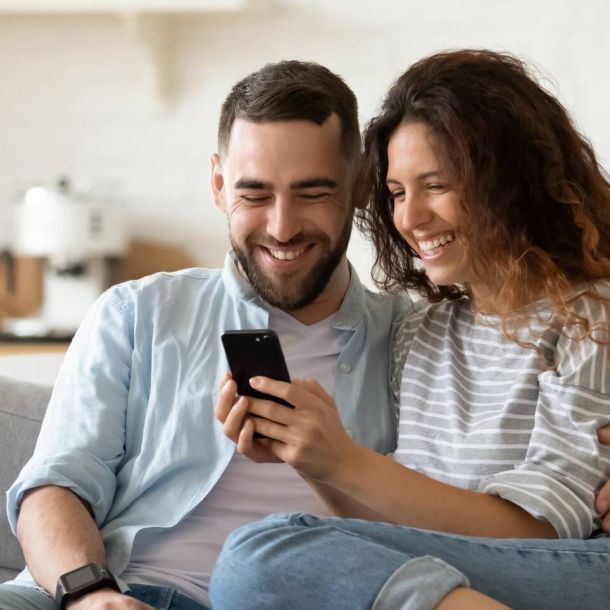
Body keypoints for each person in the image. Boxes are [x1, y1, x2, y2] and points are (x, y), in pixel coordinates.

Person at [0, 61, 411, 610]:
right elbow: (53, 488)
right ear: (219, 186)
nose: (282, 227)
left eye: (311, 193)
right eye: (255, 194)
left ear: (360, 185)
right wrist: (91, 595)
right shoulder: (138, 313)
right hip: (111, 590)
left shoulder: (411, 340)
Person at [209, 49, 610, 610]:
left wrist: (346, 460)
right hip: (471, 577)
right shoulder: (421, 332)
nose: (410, 218)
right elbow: (403, 528)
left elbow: (542, 533)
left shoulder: (589, 317)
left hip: (572, 570)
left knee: (262, 554)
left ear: (511, 181)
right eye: (397, 193)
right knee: (268, 559)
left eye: (436, 185)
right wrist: (315, 463)